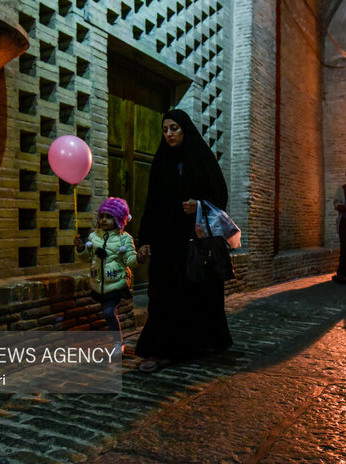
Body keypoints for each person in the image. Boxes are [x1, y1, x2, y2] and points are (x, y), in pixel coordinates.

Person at [134, 109, 232, 372]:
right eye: (165, 130)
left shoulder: (201, 158)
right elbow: (152, 203)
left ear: (185, 129)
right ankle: (162, 348)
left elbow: (220, 195)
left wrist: (198, 204)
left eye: (174, 128)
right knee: (163, 294)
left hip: (195, 241)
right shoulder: (161, 160)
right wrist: (145, 239)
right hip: (167, 242)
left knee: (194, 293)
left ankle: (189, 344)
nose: (168, 134)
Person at [74, 197, 138, 356]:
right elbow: (88, 258)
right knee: (108, 313)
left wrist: (139, 258)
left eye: (108, 217)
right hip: (99, 283)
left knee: (109, 311)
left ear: (118, 219)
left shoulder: (124, 238)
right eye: (102, 216)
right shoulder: (93, 237)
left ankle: (118, 343)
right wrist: (81, 249)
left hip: (117, 282)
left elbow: (129, 259)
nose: (103, 220)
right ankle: (118, 339)